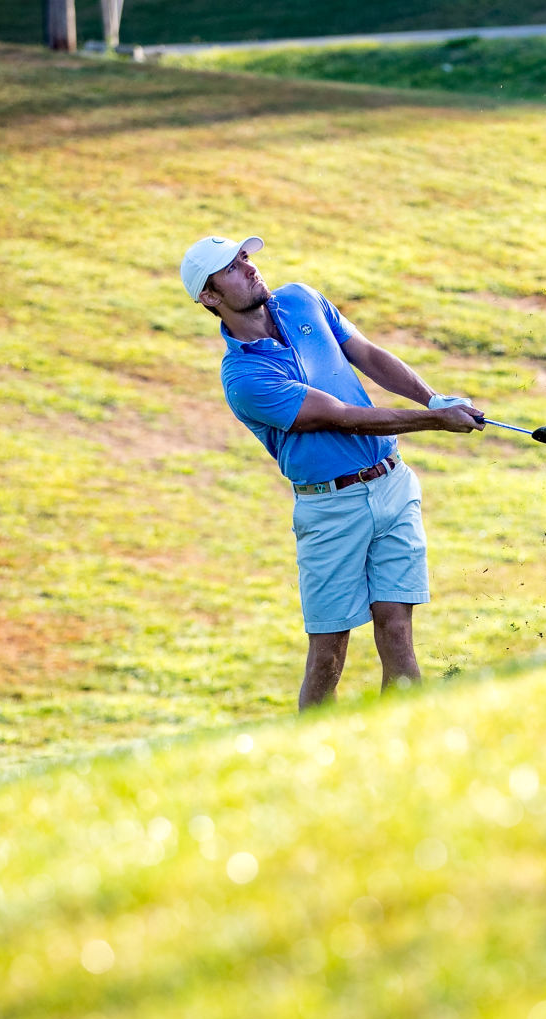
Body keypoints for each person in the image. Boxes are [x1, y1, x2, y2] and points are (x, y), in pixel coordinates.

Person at [181, 234, 484, 709]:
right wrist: (436, 421)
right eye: (232, 268)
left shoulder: (302, 299)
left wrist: (433, 398)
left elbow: (367, 353)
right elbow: (342, 416)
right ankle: (313, 761)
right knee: (328, 652)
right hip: (330, 509)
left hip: (393, 483)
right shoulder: (244, 379)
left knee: (397, 625)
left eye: (245, 257)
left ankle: (408, 746)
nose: (249, 267)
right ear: (210, 297)